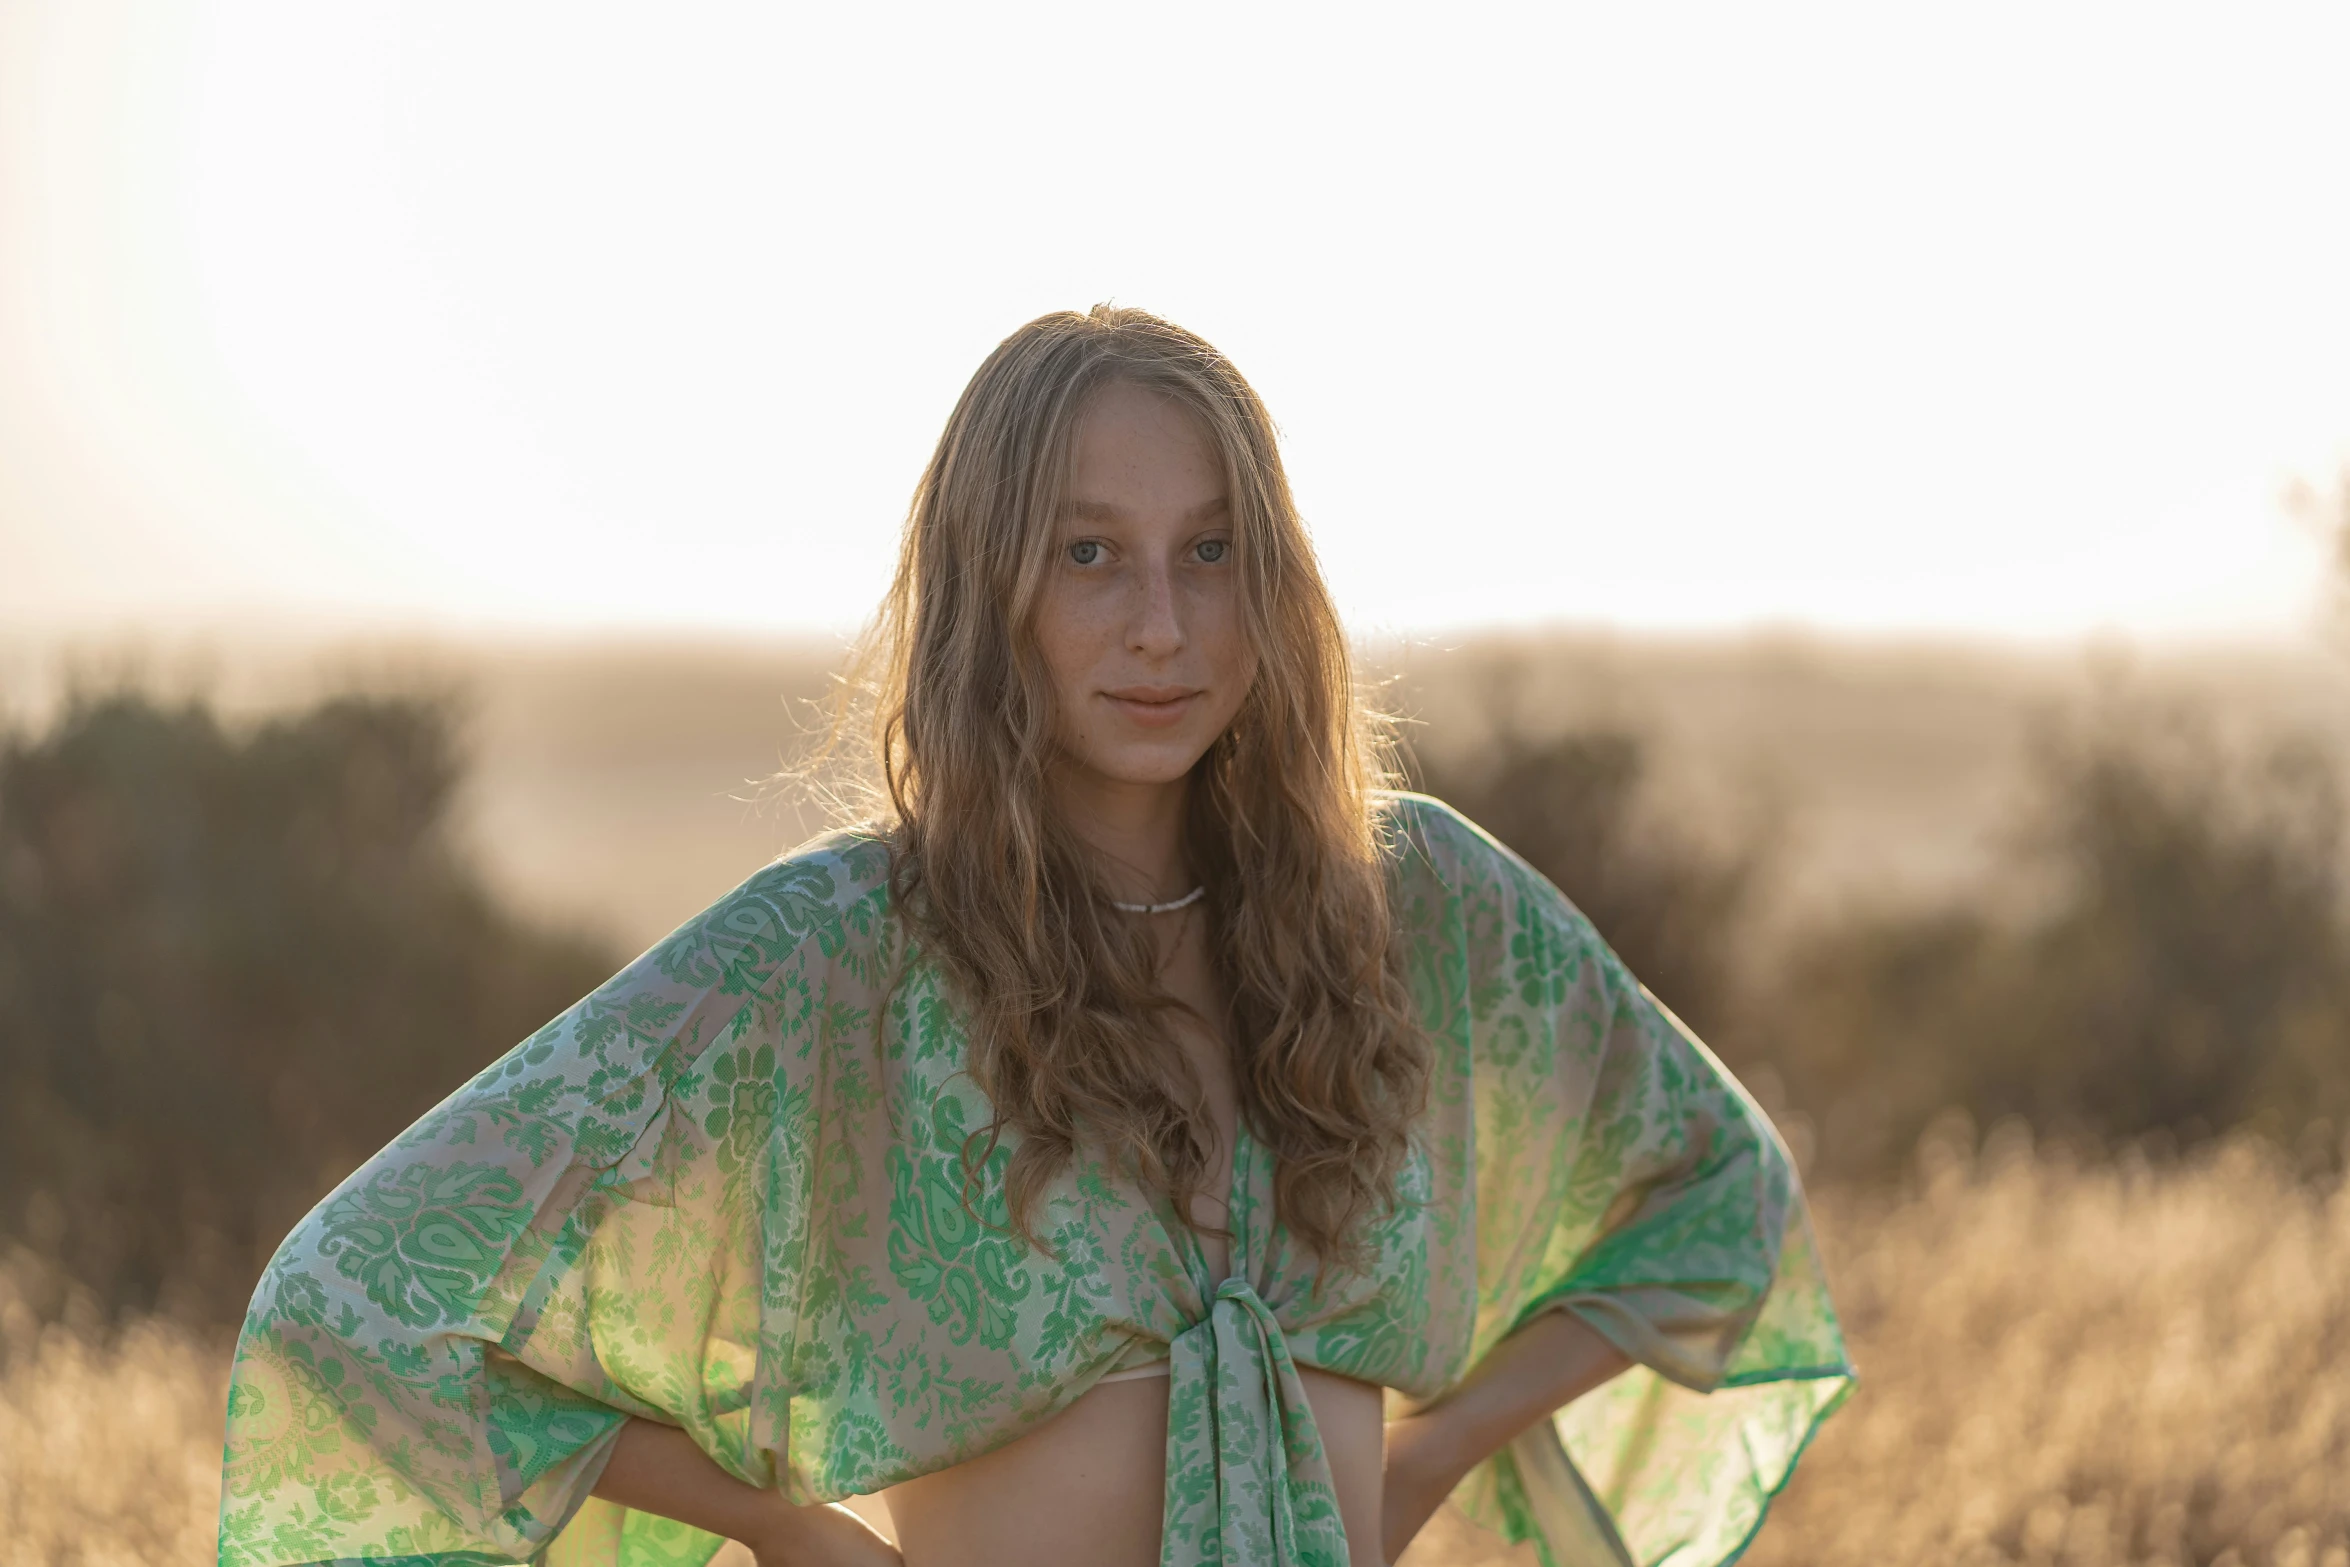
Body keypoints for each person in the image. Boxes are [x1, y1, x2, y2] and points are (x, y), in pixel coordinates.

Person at [215, 306, 1852, 1567]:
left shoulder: (1413, 908)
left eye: (1211, 553)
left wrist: (1429, 1452)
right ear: (989, 587)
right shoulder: (846, 953)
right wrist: (780, 1523)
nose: (1161, 623)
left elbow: (1721, 1194)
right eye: (1090, 556)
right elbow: (360, 1298)